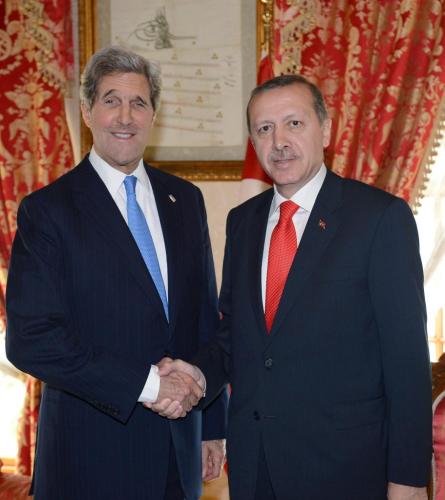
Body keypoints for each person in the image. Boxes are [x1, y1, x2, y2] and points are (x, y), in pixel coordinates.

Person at [155, 75, 432, 500]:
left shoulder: (379, 218)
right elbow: (236, 338)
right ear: (253, 141)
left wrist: (408, 481)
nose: (279, 141)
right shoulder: (243, 222)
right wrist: (196, 374)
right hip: (256, 468)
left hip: (346, 471)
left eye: (294, 124)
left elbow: (407, 361)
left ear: (326, 130)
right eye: (264, 128)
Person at [5, 46, 227, 500]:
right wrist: (149, 385)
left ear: (153, 116)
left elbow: (205, 321)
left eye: (138, 103)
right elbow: (32, 339)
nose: (125, 117)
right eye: (111, 101)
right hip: (89, 459)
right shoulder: (48, 210)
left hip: (179, 454)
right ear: (88, 112)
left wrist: (211, 425)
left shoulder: (185, 201)